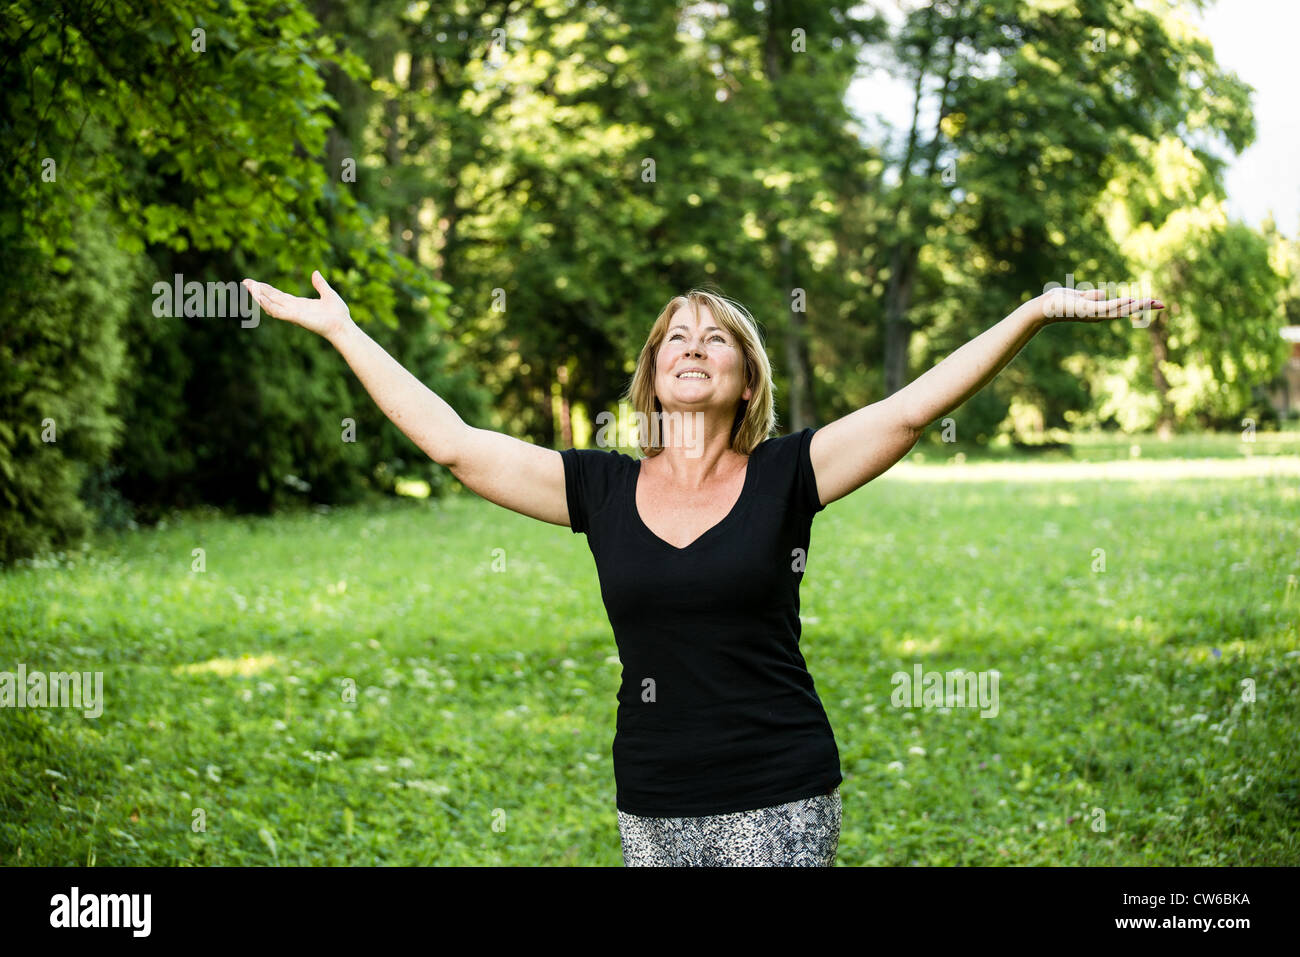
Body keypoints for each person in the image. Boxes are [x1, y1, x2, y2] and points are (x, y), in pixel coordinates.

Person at [241, 273, 1164, 866]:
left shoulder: (787, 474)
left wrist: (1037, 311)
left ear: (747, 379)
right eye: (674, 336)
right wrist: (344, 331)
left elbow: (911, 409)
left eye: (714, 336)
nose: (691, 344)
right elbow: (454, 444)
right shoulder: (597, 489)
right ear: (650, 375)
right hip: (655, 797)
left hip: (780, 789)